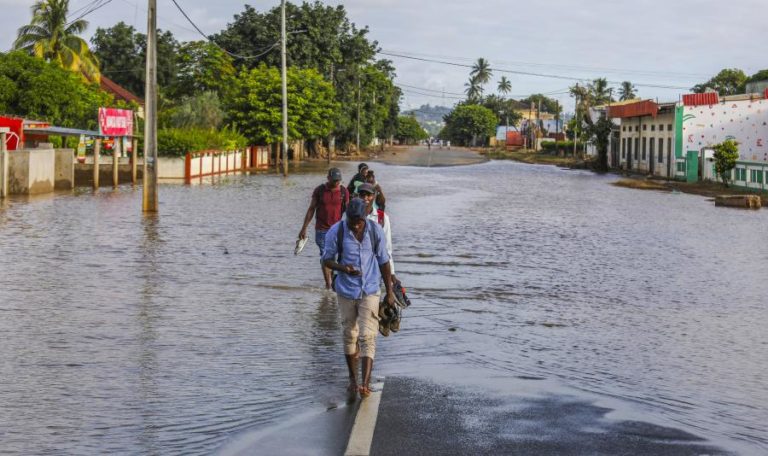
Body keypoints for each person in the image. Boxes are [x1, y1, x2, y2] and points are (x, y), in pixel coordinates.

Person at [322, 198, 395, 398]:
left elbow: (384, 262)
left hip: (370, 289)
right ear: (346, 216)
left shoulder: (375, 230)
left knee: (367, 336)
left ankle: (365, 382)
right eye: (352, 220)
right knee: (350, 334)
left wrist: (389, 292)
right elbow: (327, 259)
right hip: (346, 290)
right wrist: (343, 268)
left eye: (359, 221)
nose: (355, 225)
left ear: (365, 217)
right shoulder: (336, 231)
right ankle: (353, 380)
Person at [298, 168, 349, 289]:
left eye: (338, 181)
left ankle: (333, 281)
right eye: (334, 180)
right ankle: (329, 285)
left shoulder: (343, 191)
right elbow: (311, 209)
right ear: (328, 178)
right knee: (325, 256)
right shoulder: (320, 190)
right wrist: (304, 228)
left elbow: (348, 211)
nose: (336, 183)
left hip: (338, 230)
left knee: (336, 258)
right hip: (322, 230)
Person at [358, 183, 394, 279]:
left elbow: (387, 248)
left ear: (374, 196)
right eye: (362, 195)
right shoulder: (349, 215)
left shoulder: (382, 218)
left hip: (375, 268)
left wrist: (392, 273)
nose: (365, 198)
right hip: (354, 266)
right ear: (358, 196)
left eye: (369, 195)